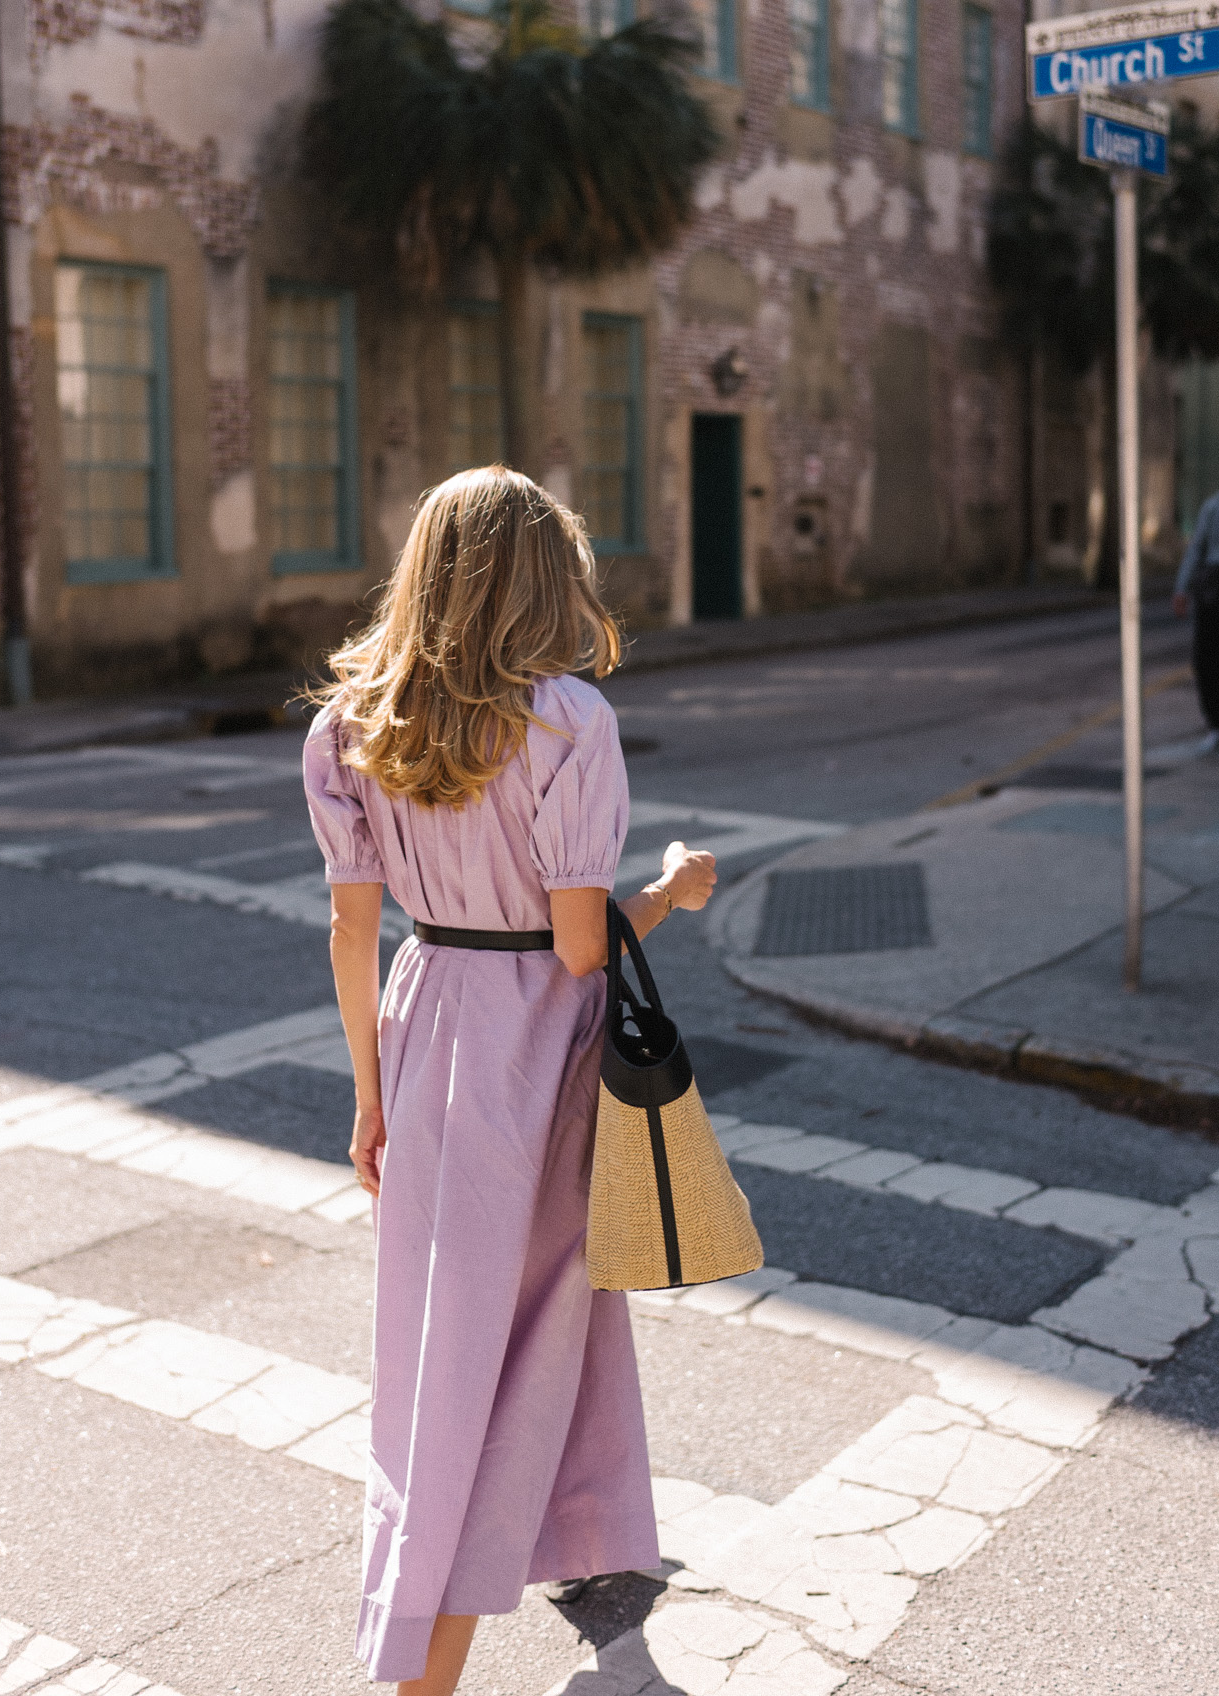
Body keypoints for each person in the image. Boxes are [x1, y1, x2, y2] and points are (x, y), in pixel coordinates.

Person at [302, 466, 718, 1696]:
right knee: (518, 1363)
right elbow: (583, 945)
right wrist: (674, 892)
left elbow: (348, 933)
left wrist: (369, 1099)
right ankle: (425, 1677)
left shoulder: (349, 725)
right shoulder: (564, 721)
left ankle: (614, 1644)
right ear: (546, 578)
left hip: (426, 1031)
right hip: (539, 1057)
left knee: (449, 1360)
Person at [1173, 446, 1219, 747]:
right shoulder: (1214, 507)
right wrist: (1182, 588)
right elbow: (1196, 548)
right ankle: (1218, 726)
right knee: (1206, 663)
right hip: (1215, 593)